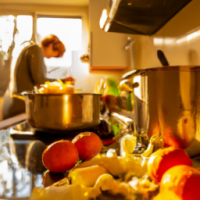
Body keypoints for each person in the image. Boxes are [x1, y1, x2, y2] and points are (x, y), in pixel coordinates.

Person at [2, 34, 66, 119]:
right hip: (21, 104)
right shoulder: (36, 50)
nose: (51, 58)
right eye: (54, 55)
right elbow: (40, 80)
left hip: (17, 103)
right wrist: (63, 81)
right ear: (50, 46)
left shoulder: (31, 50)